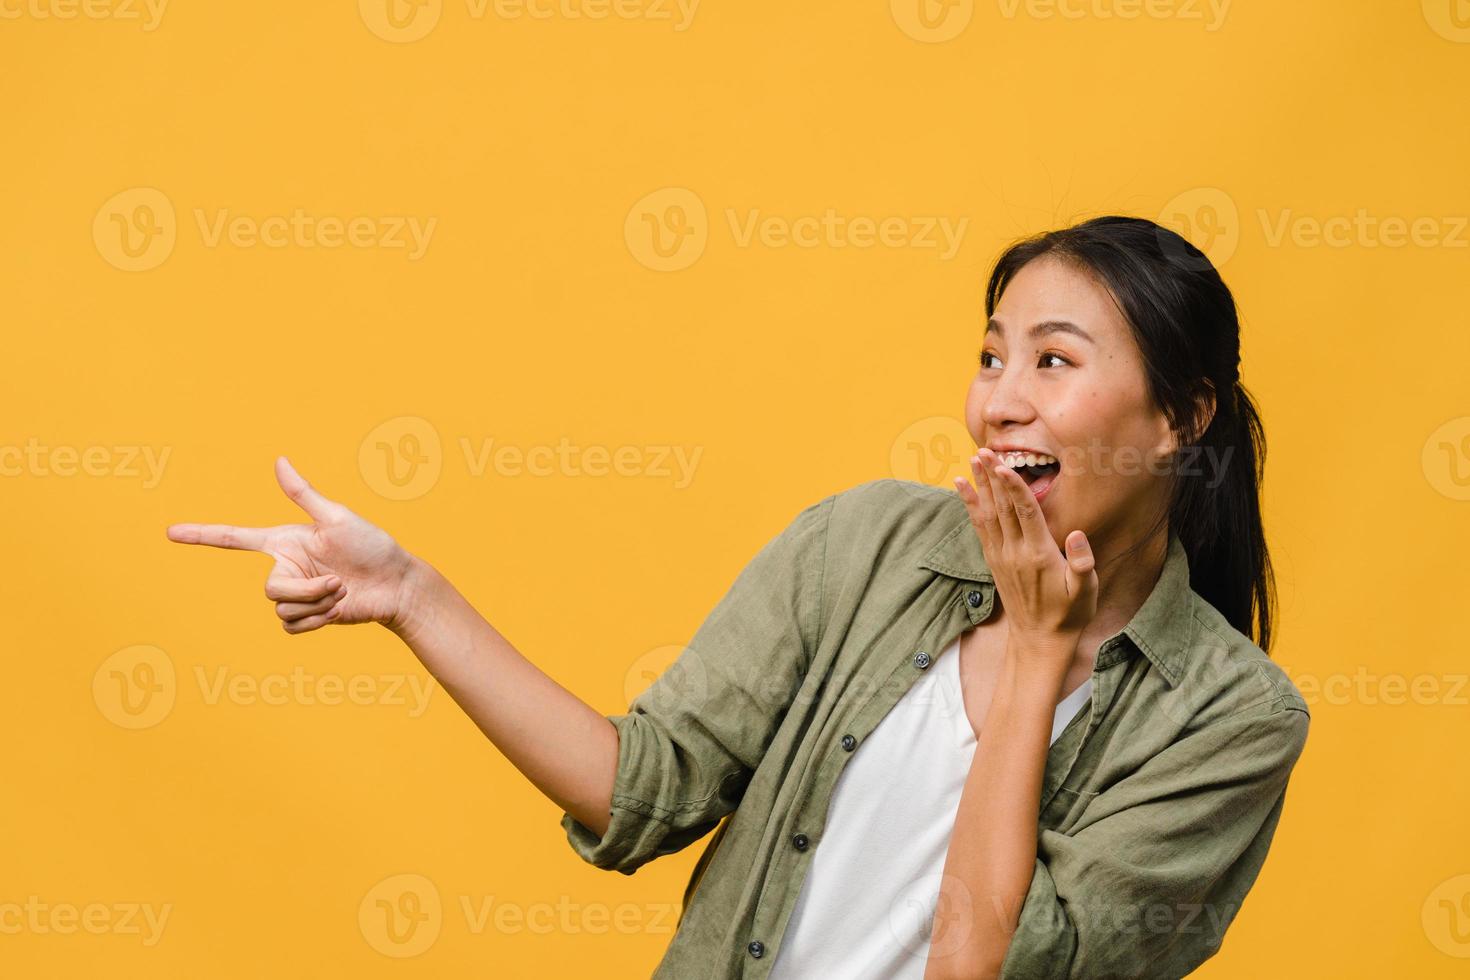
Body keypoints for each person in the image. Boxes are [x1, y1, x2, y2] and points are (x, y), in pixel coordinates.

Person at [167, 215, 1310, 979]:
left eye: (1054, 362)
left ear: (1183, 415)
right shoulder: (865, 545)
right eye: (990, 356)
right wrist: (412, 594)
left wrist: (1035, 648)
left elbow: (981, 958)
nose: (1000, 402)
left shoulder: (1232, 718)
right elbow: (641, 789)